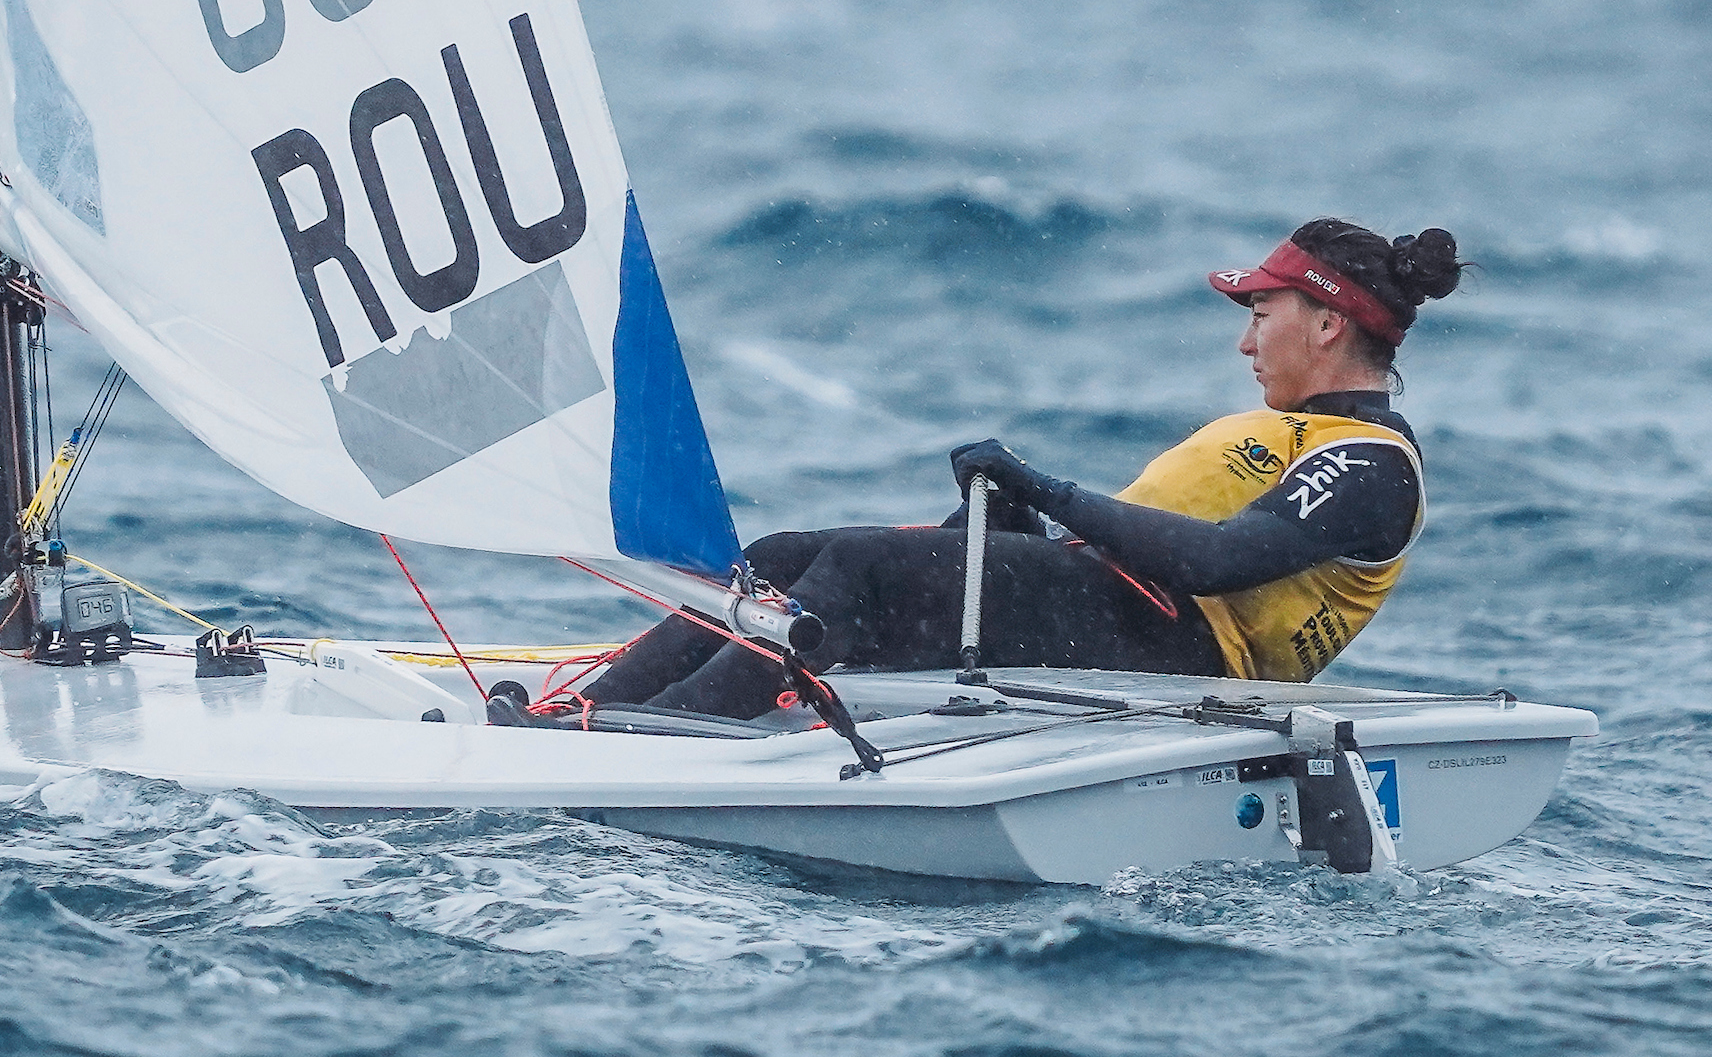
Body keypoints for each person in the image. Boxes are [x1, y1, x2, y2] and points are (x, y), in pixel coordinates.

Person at [579, 218, 1467, 719]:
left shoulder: (1373, 466)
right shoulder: (1303, 432)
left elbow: (1216, 562)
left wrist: (1046, 488)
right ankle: (587, 716)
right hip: (1112, 609)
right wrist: (1020, 512)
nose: (1246, 341)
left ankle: (661, 738)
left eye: (1262, 315)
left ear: (1327, 325)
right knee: (779, 559)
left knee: (855, 572)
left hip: (1175, 648)